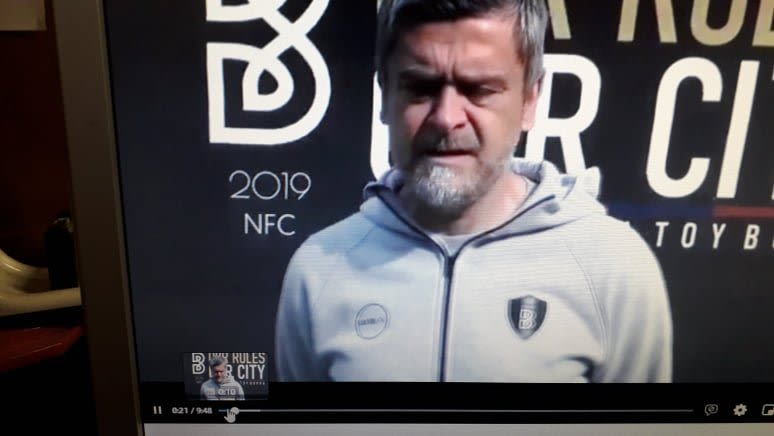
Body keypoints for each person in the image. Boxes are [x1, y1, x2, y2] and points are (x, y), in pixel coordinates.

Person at [275, 0, 672, 382]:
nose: (446, 118)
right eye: (421, 87)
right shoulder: (318, 271)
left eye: (479, 89)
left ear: (530, 99)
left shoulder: (613, 268)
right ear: (385, 94)